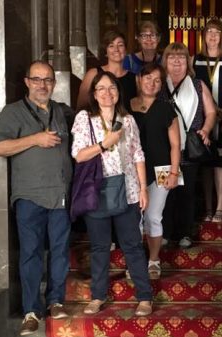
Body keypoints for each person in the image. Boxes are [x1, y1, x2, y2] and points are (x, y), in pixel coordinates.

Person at [0, 60, 73, 336]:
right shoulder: (13, 112)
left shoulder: (61, 111)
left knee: (60, 251)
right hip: (29, 196)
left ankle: (56, 301)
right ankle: (31, 311)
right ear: (27, 82)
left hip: (60, 194)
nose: (42, 85)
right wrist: (35, 139)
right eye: (37, 79)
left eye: (47, 80)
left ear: (54, 83)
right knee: (31, 254)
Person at [71, 71, 154, 317]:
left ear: (118, 92)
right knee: (99, 247)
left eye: (112, 88)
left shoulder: (127, 119)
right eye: (102, 89)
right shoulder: (84, 118)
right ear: (94, 94)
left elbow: (138, 153)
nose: (107, 93)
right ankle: (98, 296)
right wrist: (104, 144)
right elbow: (78, 155)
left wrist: (143, 188)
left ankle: (144, 296)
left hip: (128, 191)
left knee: (133, 246)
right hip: (96, 191)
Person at [159, 42, 217, 248]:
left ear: (188, 62)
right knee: (164, 193)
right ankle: (165, 232)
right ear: (165, 61)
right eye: (172, 57)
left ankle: (185, 233)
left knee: (187, 192)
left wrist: (206, 130)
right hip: (164, 150)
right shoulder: (158, 84)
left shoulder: (198, 85)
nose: (176, 61)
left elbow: (211, 112)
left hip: (189, 150)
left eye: (181, 57)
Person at [129, 63, 181, 278]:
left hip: (162, 169)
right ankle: (135, 262)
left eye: (157, 80)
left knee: (153, 216)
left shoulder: (166, 109)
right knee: (133, 219)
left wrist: (174, 173)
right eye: (148, 78)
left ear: (161, 85)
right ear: (139, 79)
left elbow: (176, 145)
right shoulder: (126, 106)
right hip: (132, 170)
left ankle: (153, 260)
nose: (152, 83)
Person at [193, 18, 222, 223]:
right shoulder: (195, 59)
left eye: (217, 32)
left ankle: (220, 207)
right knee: (206, 162)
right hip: (202, 120)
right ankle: (208, 207)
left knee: (220, 161)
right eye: (209, 32)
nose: (212, 36)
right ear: (204, 36)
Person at [76, 29, 137, 111]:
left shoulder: (135, 78)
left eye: (120, 45)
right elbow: (81, 107)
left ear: (126, 50)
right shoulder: (93, 74)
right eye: (111, 46)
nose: (116, 49)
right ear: (106, 51)